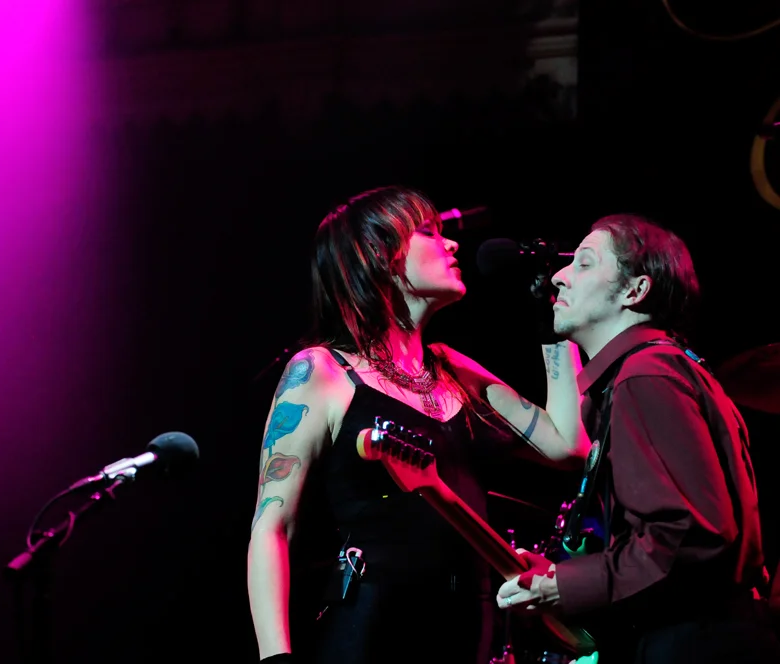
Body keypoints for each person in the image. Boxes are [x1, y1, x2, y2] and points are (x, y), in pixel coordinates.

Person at [246, 184, 590, 664]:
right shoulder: (322, 371)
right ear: (380, 257)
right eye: (428, 233)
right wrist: (275, 657)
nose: (451, 244)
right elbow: (272, 527)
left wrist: (555, 330)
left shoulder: (453, 370)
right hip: (374, 628)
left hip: (467, 631)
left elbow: (567, 446)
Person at [494, 213, 780, 663]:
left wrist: (564, 587)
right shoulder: (654, 370)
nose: (559, 276)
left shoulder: (645, 376)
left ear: (634, 291)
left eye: (584, 264)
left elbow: (686, 537)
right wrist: (562, 572)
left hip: (692, 641)